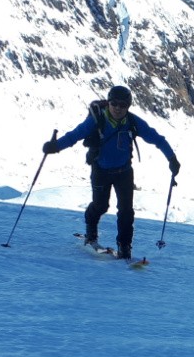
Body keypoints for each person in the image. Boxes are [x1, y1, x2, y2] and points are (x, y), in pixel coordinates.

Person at [44, 84, 180, 259]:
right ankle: (91, 229)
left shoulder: (133, 122)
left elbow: (157, 139)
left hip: (124, 172)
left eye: (123, 105)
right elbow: (75, 135)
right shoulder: (97, 120)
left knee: (126, 211)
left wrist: (172, 158)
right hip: (101, 170)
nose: (118, 108)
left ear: (128, 106)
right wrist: (56, 147)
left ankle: (125, 246)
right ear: (108, 103)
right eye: (114, 103)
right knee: (101, 206)